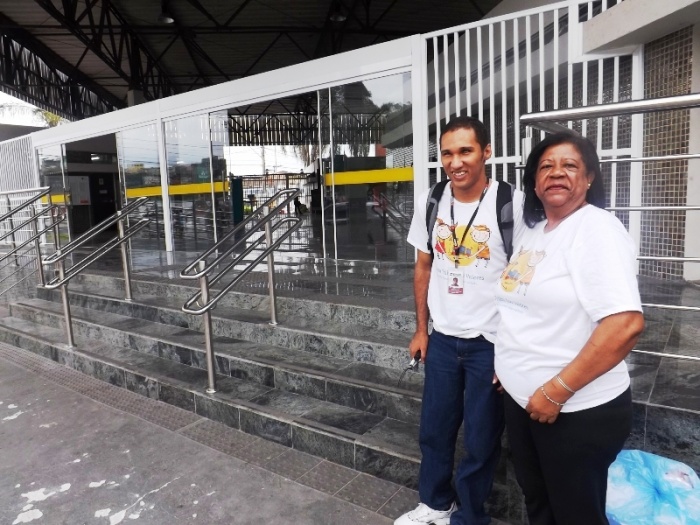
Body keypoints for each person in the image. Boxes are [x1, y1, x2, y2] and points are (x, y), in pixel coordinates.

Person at [494, 131, 645, 524]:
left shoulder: (596, 230)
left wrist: (556, 391)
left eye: (569, 165)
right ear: (534, 182)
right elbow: (523, 305)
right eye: (546, 166)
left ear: (589, 177)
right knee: (539, 503)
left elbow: (625, 324)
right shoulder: (535, 230)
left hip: (574, 412)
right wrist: (508, 362)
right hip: (524, 401)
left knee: (576, 515)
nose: (556, 172)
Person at [397, 116, 524, 525]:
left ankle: (469, 516)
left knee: (482, 438)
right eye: (447, 153)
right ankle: (436, 502)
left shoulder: (512, 203)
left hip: (490, 342)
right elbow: (423, 267)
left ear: (486, 152)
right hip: (443, 339)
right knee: (434, 430)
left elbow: (525, 279)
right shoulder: (431, 200)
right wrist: (421, 330)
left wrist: (513, 348)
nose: (455, 162)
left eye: (465, 151)